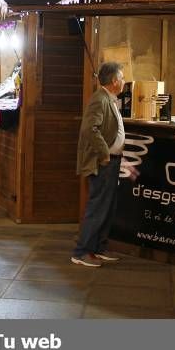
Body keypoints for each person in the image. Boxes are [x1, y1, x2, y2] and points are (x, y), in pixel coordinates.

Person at [71, 61, 126, 268]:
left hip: (112, 161)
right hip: (103, 162)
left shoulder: (109, 99)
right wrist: (104, 153)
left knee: (107, 207)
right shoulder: (99, 99)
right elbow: (89, 129)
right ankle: (82, 251)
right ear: (114, 81)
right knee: (97, 207)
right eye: (121, 78)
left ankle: (99, 247)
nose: (123, 82)